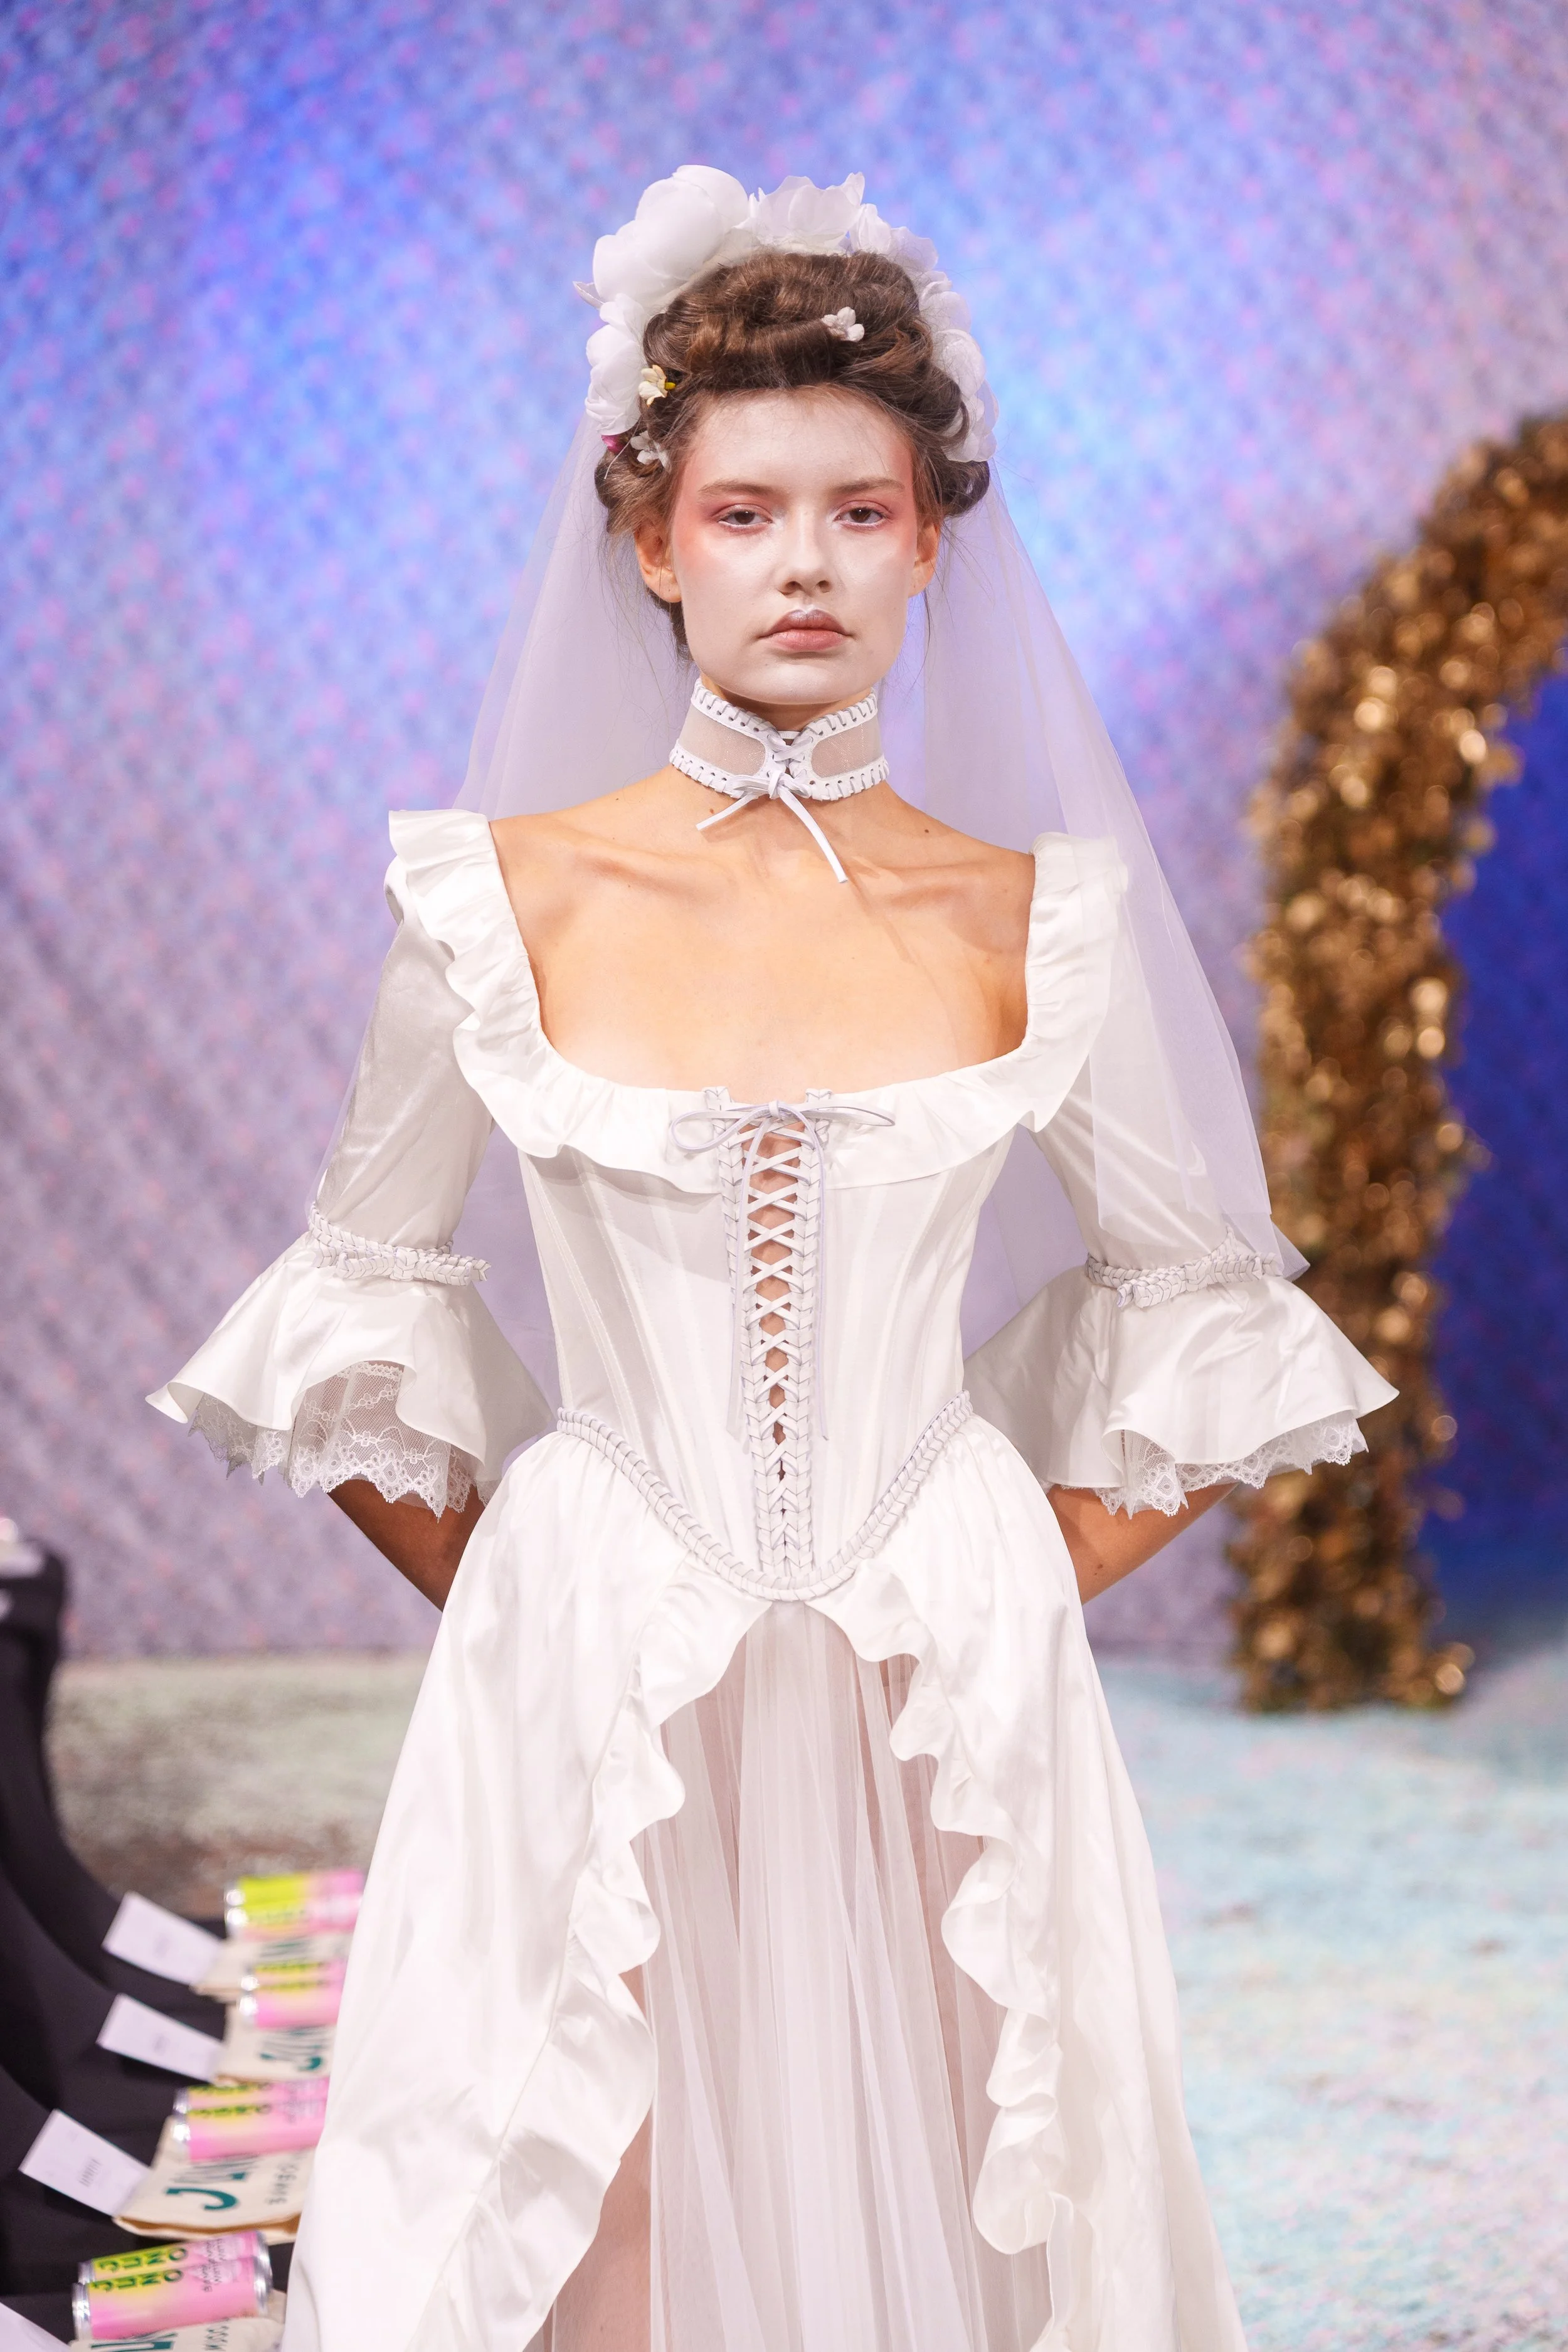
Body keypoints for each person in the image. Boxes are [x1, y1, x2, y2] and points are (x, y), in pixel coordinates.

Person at [151, 171, 1392, 2352]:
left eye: (856, 509)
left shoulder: (1029, 916)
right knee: (575, 2188)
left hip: (939, 1691)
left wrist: (995, 1551)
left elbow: (1206, 1309)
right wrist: (559, 1568)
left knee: (969, 2171)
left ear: (930, 541)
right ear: (650, 537)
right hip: (590, 1677)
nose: (802, 561)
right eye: (745, 511)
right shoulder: (494, 903)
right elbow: (358, 1302)